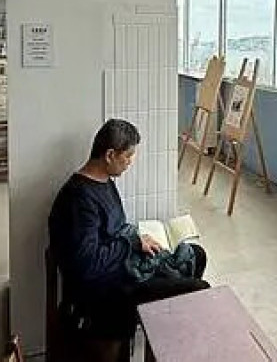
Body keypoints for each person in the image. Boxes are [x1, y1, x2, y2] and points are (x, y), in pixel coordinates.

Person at [48, 119, 209, 344]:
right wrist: (132, 243)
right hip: (103, 287)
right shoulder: (78, 199)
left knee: (196, 254)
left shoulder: (104, 181)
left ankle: (167, 333)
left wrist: (138, 238)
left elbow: (116, 228)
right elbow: (87, 264)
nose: (130, 162)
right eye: (128, 156)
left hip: (120, 267)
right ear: (110, 155)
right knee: (198, 288)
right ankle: (169, 344)